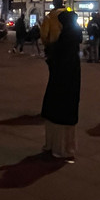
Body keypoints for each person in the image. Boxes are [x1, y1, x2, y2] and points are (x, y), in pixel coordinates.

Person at [41, 9, 81, 161]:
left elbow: (56, 59)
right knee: (67, 110)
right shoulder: (74, 38)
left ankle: (58, 147)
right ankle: (66, 146)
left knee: (58, 111)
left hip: (60, 82)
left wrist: (50, 54)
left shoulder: (64, 39)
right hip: (71, 82)